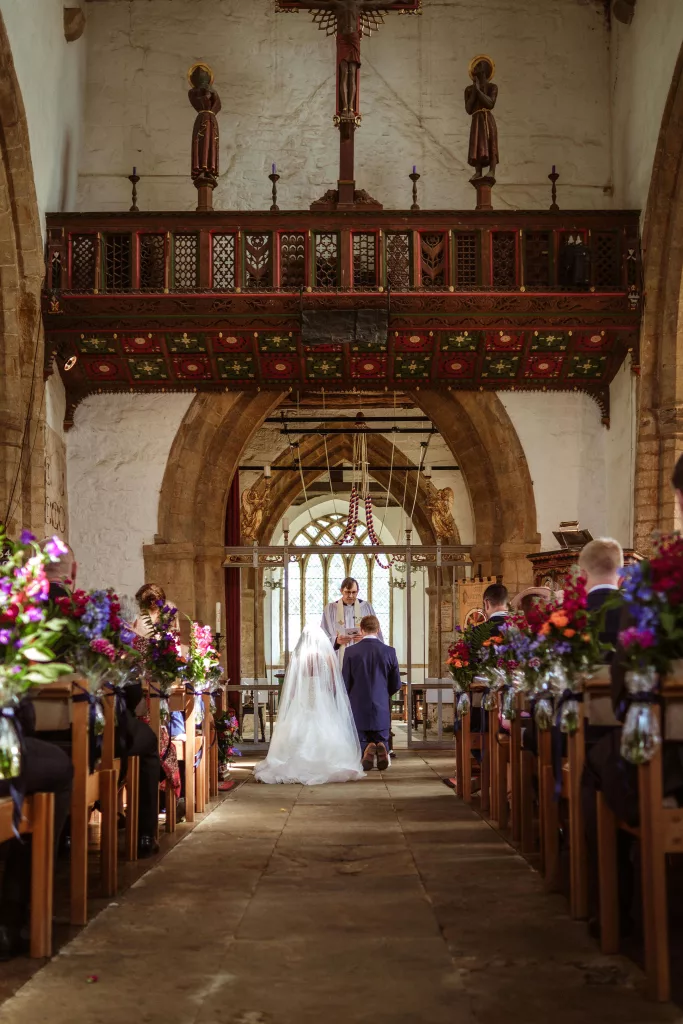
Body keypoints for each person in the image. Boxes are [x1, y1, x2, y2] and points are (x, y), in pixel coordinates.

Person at [44, 549, 163, 857]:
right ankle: (144, 836)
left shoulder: (20, 611)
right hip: (86, 733)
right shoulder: (81, 613)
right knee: (147, 741)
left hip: (31, 734)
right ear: (74, 571)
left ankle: (64, 836)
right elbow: (120, 685)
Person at [254, 624, 364, 785]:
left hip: (303, 696)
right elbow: (334, 682)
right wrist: (331, 696)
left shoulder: (299, 657)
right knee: (326, 726)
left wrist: (291, 699)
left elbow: (292, 683)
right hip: (322, 696)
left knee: (298, 726)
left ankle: (293, 760)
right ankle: (327, 760)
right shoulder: (326, 657)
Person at [342, 615, 401, 772]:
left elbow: (345, 682)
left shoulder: (350, 652)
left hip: (358, 703)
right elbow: (396, 683)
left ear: (361, 629)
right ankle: (381, 746)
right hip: (381, 703)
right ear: (378, 629)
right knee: (382, 733)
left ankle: (366, 749)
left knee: (361, 736)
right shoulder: (390, 651)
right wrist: (383, 693)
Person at [321, 576, 383, 668]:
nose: (350, 595)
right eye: (347, 592)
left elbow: (375, 629)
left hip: (363, 654)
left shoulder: (366, 607)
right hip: (339, 655)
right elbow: (323, 634)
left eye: (354, 592)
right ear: (341, 591)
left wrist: (366, 638)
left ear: (358, 591)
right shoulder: (330, 609)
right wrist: (336, 641)